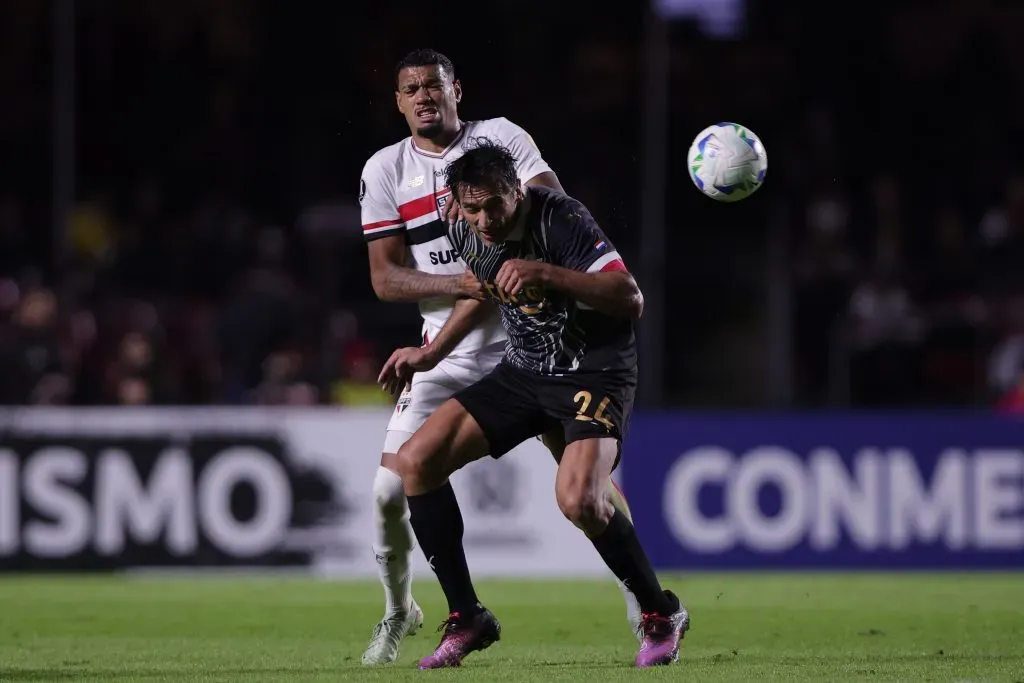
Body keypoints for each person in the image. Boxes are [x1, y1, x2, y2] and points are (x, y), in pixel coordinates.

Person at [359, 48, 641, 666]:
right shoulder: (385, 170)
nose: (426, 96)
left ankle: (640, 597)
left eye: (435, 85)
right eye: (412, 89)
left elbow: (554, 224)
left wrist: (526, 281)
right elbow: (386, 280)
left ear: (458, 89)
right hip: (447, 339)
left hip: (530, 334)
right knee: (392, 486)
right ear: (399, 102)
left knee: (584, 486)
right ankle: (400, 609)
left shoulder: (503, 138)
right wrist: (464, 290)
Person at [385, 138, 689, 670]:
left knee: (579, 501)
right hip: (524, 371)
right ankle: (468, 617)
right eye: (471, 207)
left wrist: (546, 274)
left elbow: (630, 298)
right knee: (416, 463)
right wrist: (431, 354)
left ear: (516, 191)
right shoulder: (462, 220)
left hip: (595, 371)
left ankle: (660, 614)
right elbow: (483, 291)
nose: (482, 219)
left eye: (493, 205)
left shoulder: (561, 218)